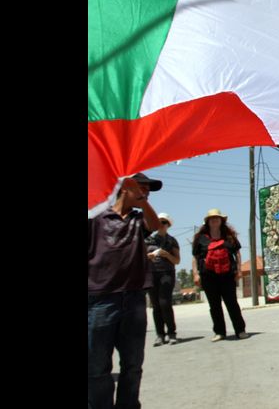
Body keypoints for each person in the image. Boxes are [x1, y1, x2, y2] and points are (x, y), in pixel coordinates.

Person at [88, 172, 162, 409]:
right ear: (124, 188)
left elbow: (156, 227)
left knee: (132, 364)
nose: (146, 192)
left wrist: (141, 201)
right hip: (100, 299)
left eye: (147, 189)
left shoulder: (139, 219)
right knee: (97, 367)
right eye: (141, 187)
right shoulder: (97, 217)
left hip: (134, 299)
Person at [192, 209, 249, 342]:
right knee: (214, 305)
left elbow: (237, 254)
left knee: (232, 303)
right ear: (208, 222)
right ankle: (219, 332)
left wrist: (239, 270)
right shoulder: (200, 239)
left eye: (217, 218)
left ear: (221, 221)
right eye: (212, 218)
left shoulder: (229, 236)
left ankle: (240, 330)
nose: (215, 220)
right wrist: (195, 274)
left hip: (227, 275)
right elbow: (195, 257)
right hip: (208, 276)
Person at [146, 212, 180, 346]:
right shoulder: (148, 240)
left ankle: (172, 333)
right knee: (156, 305)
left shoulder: (172, 241)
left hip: (167, 273)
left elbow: (177, 260)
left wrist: (166, 255)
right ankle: (160, 335)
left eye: (164, 222)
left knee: (165, 303)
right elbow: (140, 257)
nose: (161, 224)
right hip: (151, 273)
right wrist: (149, 257)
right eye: (159, 222)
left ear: (168, 225)